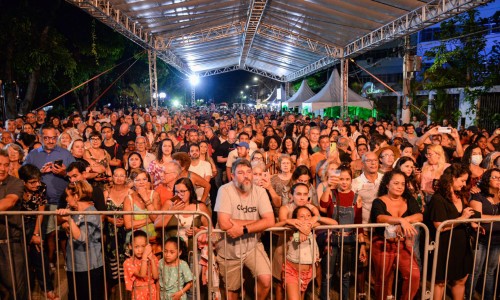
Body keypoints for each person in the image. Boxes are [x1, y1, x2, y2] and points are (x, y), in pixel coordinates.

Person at [215, 158, 275, 300]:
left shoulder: (260, 191)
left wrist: (244, 229)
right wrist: (260, 223)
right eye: (241, 173)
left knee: (266, 280)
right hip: (228, 248)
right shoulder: (224, 190)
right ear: (232, 176)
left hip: (252, 245)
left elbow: (270, 220)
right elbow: (224, 223)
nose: (246, 175)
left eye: (249, 172)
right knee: (232, 291)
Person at [24, 124, 75, 273]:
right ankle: (50, 263)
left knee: (65, 234)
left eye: (53, 138)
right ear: (40, 137)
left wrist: (64, 173)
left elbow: (75, 174)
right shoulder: (33, 155)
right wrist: (39, 173)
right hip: (41, 202)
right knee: (48, 234)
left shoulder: (65, 153)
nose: (51, 141)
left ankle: (67, 263)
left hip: (63, 200)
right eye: (46, 138)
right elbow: (24, 174)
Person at [370, 170, 422, 300]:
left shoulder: (409, 200)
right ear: (387, 185)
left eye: (403, 184)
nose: (400, 187)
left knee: (414, 275)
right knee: (382, 279)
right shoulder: (378, 201)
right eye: (396, 183)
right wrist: (400, 220)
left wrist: (406, 220)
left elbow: (419, 215)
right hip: (382, 244)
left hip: (402, 244)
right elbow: (379, 217)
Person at [425, 164, 474, 300]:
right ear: (452, 178)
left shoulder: (460, 195)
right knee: (440, 281)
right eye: (462, 180)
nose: (464, 184)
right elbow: (440, 225)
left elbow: (465, 216)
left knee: (460, 279)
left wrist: (473, 223)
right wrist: (462, 218)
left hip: (461, 243)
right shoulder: (438, 198)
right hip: (445, 245)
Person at [319, 166, 366, 300]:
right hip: (332, 239)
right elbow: (323, 204)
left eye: (347, 179)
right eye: (341, 179)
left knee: (345, 275)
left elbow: (359, 224)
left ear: (351, 180)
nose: (344, 182)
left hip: (349, 240)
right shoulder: (331, 193)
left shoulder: (356, 198)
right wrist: (328, 186)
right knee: (328, 274)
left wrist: (362, 245)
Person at [56, 180, 105, 300]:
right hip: (75, 265)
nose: (66, 199)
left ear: (76, 196)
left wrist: (68, 220)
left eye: (67, 196)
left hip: (89, 267)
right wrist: (65, 223)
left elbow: (82, 237)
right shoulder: (75, 211)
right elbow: (60, 222)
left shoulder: (91, 213)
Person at [18, 164, 59, 300]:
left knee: (40, 256)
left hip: (33, 223)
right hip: (15, 225)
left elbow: (40, 213)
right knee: (21, 259)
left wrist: (35, 234)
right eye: (32, 182)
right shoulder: (16, 188)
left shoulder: (42, 187)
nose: (37, 184)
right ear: (23, 182)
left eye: (38, 180)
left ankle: (47, 289)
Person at [466, 168, 500, 299]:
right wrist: (497, 218)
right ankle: (468, 296)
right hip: (481, 239)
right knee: (475, 270)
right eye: (495, 177)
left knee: (490, 272)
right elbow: (478, 217)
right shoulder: (478, 195)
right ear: (487, 179)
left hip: (497, 240)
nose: (498, 180)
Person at [0, 149, 28, 300]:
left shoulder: (15, 182)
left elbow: (9, 202)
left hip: (10, 244)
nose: (3, 168)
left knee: (15, 290)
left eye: (6, 165)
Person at [104, 168, 131, 297]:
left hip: (127, 233)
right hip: (110, 234)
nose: (119, 178)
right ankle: (114, 293)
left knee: (126, 263)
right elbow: (101, 213)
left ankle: (126, 294)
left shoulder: (131, 192)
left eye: (122, 175)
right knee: (113, 266)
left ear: (126, 177)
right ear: (112, 177)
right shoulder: (106, 193)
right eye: (116, 175)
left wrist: (126, 221)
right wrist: (111, 220)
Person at [123, 169, 160, 241]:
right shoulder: (128, 198)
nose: (141, 182)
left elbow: (156, 219)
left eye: (144, 179)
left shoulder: (155, 195)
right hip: (135, 240)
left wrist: (146, 198)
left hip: (153, 238)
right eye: (137, 180)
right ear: (132, 182)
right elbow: (128, 225)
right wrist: (150, 219)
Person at [123, 230, 159, 300]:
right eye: (136, 247)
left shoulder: (153, 257)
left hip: (152, 292)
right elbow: (142, 274)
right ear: (130, 246)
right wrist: (145, 257)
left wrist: (151, 259)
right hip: (138, 294)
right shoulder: (128, 262)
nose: (140, 250)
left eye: (143, 246)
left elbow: (156, 276)